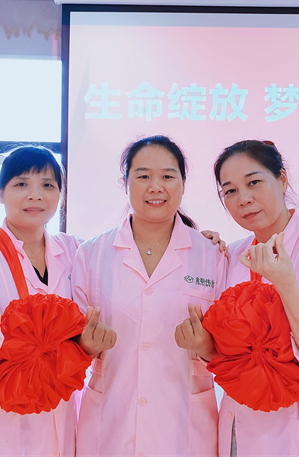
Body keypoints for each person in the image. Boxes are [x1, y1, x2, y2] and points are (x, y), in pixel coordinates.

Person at [186, 139, 299, 456]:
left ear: (282, 179)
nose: (244, 199)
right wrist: (200, 249)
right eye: (230, 191)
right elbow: (224, 347)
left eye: (253, 182)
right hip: (239, 427)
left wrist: (286, 284)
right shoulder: (230, 255)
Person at [0, 145, 114, 456]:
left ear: (60, 195)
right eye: (21, 184)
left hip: (56, 413)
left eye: (47, 185)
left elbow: (127, 252)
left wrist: (198, 239)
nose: (35, 195)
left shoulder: (76, 250)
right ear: (1, 193)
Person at [72, 135, 227, 456]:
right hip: (110, 422)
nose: (156, 187)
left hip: (185, 426)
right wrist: (86, 345)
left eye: (168, 176)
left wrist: (205, 346)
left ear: (183, 183)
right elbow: (69, 347)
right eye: (143, 176)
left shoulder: (211, 255)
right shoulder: (92, 254)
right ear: (125, 182)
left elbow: (230, 349)